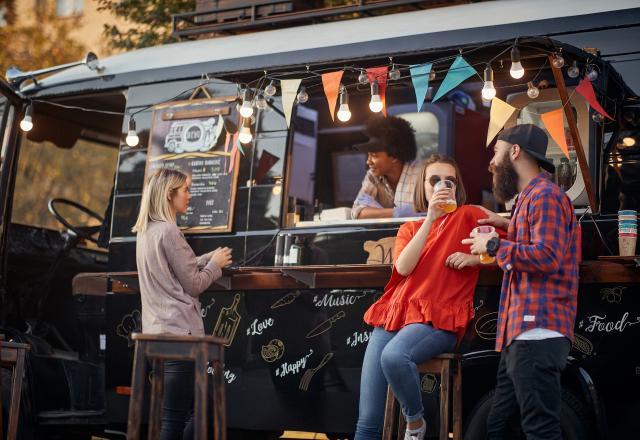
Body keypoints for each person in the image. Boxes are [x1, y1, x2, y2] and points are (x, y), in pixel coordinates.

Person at [355, 154, 497, 440]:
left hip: (439, 317)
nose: (443, 186)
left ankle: (416, 422)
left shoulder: (469, 215)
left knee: (394, 356)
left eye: (450, 181)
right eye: (435, 180)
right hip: (395, 313)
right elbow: (404, 267)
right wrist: (431, 218)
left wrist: (476, 260)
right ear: (423, 187)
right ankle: (414, 423)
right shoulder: (409, 227)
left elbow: (506, 243)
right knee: (368, 422)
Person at [463, 124, 580, 440]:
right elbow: (534, 243)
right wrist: (506, 225)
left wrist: (493, 246)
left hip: (537, 333)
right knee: (497, 426)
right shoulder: (531, 200)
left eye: (497, 151)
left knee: (540, 428)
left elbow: (546, 257)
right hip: (520, 335)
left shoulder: (545, 197)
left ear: (515, 151)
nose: (492, 162)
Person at [132, 168, 232, 440]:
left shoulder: (146, 233)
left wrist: (206, 259)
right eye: (186, 190)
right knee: (182, 418)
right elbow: (194, 284)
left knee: (177, 414)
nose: (190, 196)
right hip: (180, 337)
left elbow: (175, 269)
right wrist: (215, 266)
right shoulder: (169, 231)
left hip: (155, 336)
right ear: (169, 194)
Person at [352, 115, 422, 219]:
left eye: (374, 156)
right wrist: (396, 212)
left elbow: (423, 211)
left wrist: (376, 211)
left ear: (394, 156)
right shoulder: (373, 175)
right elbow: (357, 212)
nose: (368, 161)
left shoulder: (420, 174)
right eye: (368, 155)